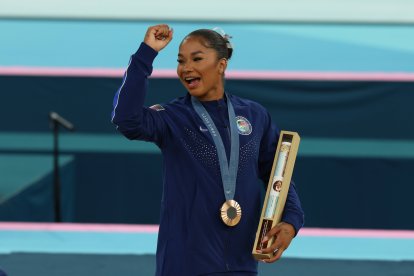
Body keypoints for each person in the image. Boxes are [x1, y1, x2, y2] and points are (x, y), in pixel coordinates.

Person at [112, 24, 304, 276]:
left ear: (221, 65)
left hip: (241, 263)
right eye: (181, 61)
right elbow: (126, 119)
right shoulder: (173, 117)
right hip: (185, 263)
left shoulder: (254, 115)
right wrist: (146, 54)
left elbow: (278, 175)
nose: (186, 68)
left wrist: (291, 221)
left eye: (197, 59)